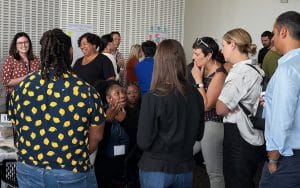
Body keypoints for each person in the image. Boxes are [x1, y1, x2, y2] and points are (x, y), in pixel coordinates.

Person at [7, 28, 106, 187]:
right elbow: (96, 137)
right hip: (70, 171)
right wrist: (71, 155)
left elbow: (17, 128)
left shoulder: (22, 88)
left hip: (28, 168)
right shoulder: (86, 90)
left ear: (43, 53)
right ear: (70, 52)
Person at [137, 39, 205, 188]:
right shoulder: (197, 95)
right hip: (185, 169)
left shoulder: (153, 97)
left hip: (156, 169)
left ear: (159, 62)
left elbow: (143, 141)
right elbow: (199, 135)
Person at [216, 28, 265, 188]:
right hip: (255, 134)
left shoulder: (239, 73)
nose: (222, 50)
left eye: (223, 45)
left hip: (239, 138)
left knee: (236, 182)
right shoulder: (256, 69)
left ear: (233, 45)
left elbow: (220, 108)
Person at [259, 11, 300, 188]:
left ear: (283, 32)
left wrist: (273, 157)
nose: (273, 38)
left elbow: (283, 116)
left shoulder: (288, 69)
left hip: (288, 156)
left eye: (274, 33)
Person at [187, 37, 226, 188]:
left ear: (209, 55)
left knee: (214, 172)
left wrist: (198, 80)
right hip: (198, 123)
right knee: (182, 155)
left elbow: (206, 105)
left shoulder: (219, 74)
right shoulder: (199, 69)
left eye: (197, 54)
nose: (193, 57)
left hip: (212, 124)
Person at [94, 80, 128, 187]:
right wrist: (108, 121)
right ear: (109, 99)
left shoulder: (130, 113)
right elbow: (99, 143)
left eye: (123, 92)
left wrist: (124, 121)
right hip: (105, 168)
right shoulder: (100, 114)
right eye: (117, 93)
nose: (122, 96)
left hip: (124, 167)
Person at [1, 32, 40, 112]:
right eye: (20, 43)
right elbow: (6, 82)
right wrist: (27, 77)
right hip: (15, 98)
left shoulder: (36, 60)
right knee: (15, 123)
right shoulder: (10, 60)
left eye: (26, 42)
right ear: (15, 45)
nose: (23, 45)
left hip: (34, 98)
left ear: (29, 43)